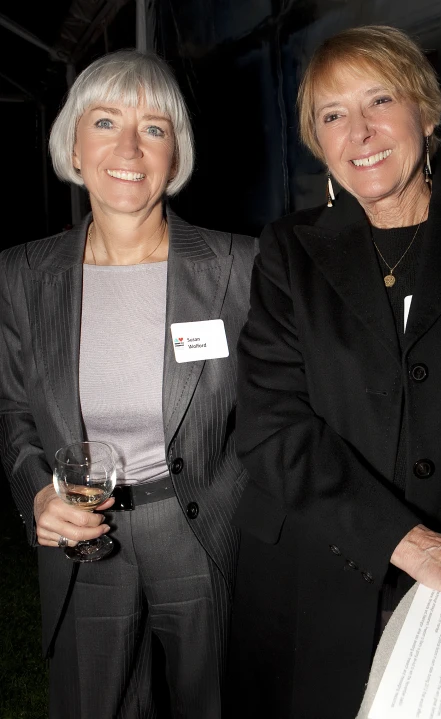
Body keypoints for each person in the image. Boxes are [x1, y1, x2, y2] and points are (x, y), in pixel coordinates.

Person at [226, 25, 441, 719]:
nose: (359, 131)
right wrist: (415, 545)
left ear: (425, 110)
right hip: (315, 572)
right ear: (319, 144)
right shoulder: (290, 251)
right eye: (332, 115)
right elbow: (270, 428)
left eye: (379, 100)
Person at [0, 49, 257, 718]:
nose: (129, 147)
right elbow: (13, 407)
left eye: (154, 128)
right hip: (84, 538)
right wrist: (36, 490)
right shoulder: (22, 273)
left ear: (175, 154)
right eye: (106, 121)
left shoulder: (240, 265)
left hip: (202, 532)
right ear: (74, 146)